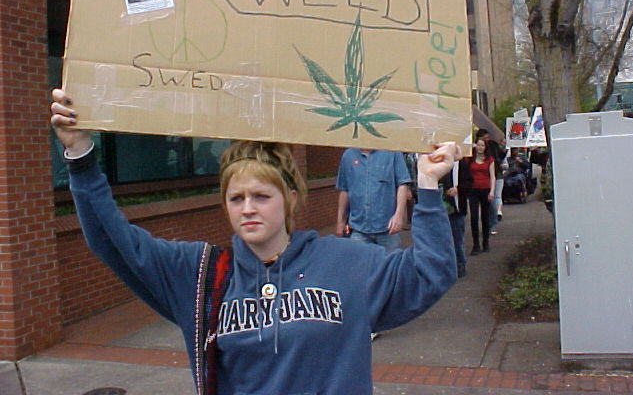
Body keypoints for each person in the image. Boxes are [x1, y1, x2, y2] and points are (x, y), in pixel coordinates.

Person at [50, 89, 459, 395]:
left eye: (262, 196)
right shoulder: (197, 276)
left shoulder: (348, 262)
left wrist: (426, 185)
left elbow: (431, 270)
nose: (248, 208)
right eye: (236, 198)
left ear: (291, 199)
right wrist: (81, 156)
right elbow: (113, 241)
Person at [336, 149, 411, 252]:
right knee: (359, 266)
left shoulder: (392, 152)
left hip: (388, 229)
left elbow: (402, 184)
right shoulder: (348, 156)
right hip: (358, 229)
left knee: (389, 266)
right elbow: (344, 189)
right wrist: (340, 221)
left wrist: (399, 215)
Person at [439, 157, 473, 277]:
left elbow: (469, 182)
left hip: (457, 208)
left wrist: (458, 189)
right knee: (443, 239)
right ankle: (447, 265)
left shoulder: (461, 164)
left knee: (457, 237)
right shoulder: (438, 163)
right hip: (441, 208)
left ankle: (460, 264)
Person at [475, 129, 507, 234]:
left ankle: (492, 222)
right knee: (483, 205)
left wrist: (505, 148)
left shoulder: (492, 145)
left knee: (493, 200)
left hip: (495, 174)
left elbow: (500, 155)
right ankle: (486, 226)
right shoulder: (475, 150)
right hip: (481, 181)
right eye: (484, 138)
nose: (486, 141)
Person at [467, 138, 495, 254]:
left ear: (485, 147)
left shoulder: (489, 160)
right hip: (473, 190)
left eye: (482, 145)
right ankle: (476, 244)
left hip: (485, 189)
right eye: (478, 145)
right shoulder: (471, 159)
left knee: (485, 217)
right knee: (474, 217)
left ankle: (486, 242)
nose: (480, 147)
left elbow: (492, 176)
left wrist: (492, 191)